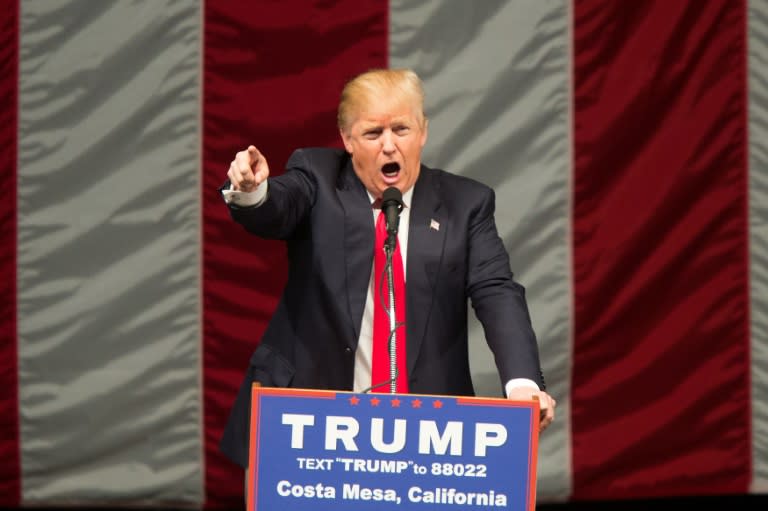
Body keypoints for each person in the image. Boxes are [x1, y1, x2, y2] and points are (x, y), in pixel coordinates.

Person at [219, 68, 556, 469]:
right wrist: (254, 190)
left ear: (423, 132)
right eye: (373, 133)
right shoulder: (317, 178)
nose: (390, 146)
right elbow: (277, 207)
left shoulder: (466, 205)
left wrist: (522, 384)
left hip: (423, 435)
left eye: (402, 129)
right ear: (347, 140)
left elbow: (497, 292)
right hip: (308, 427)